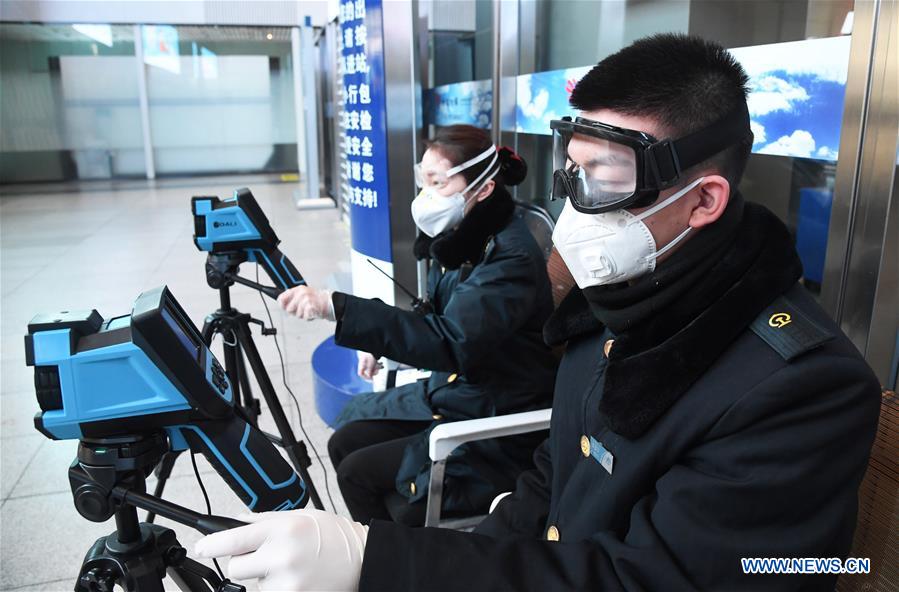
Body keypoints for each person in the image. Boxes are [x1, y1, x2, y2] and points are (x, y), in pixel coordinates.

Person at [195, 34, 881, 591]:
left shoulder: (801, 389)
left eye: (606, 181)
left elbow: (660, 577)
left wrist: (386, 563)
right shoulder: (621, 308)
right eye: (572, 175)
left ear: (702, 202)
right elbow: (553, 486)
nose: (573, 212)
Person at [276, 125, 558, 526]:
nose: (425, 196)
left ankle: (395, 564)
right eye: (422, 181)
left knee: (357, 474)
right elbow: (438, 319)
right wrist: (379, 341)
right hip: (459, 392)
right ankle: (383, 553)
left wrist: (336, 307)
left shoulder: (509, 260)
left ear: (484, 188)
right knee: (344, 440)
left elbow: (451, 341)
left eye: (437, 182)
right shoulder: (472, 241)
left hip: (494, 419)